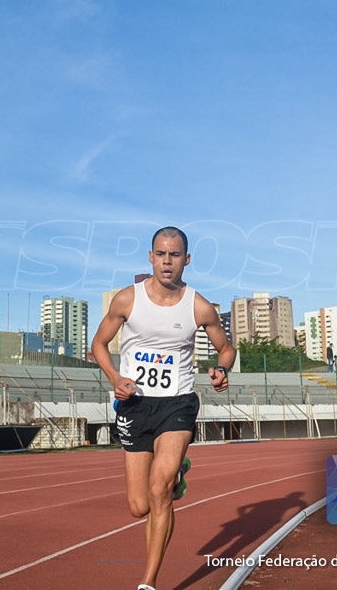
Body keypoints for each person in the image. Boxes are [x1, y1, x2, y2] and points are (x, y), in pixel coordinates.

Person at [91, 226, 236, 590]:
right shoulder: (127, 299)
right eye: (160, 253)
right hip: (135, 406)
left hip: (177, 405)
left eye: (174, 255)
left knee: (159, 489)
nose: (167, 261)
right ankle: (177, 476)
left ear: (186, 260)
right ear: (151, 257)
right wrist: (114, 378)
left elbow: (227, 349)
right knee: (139, 506)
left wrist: (222, 370)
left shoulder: (199, 306)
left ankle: (148, 582)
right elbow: (99, 343)